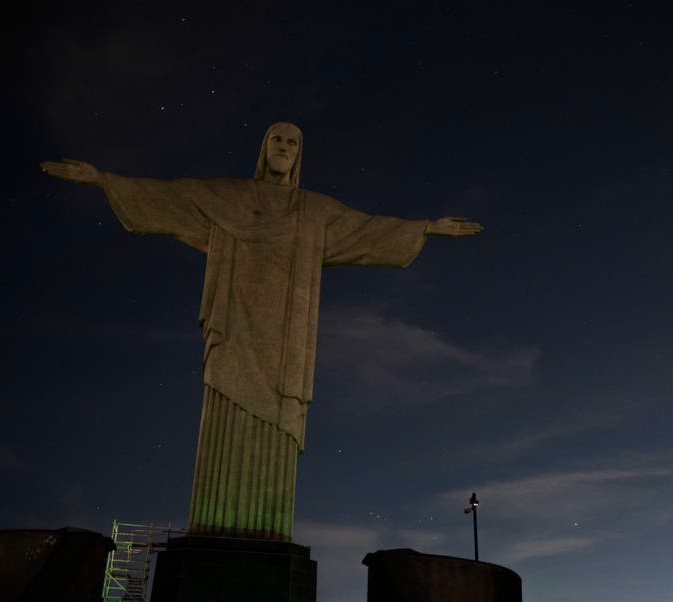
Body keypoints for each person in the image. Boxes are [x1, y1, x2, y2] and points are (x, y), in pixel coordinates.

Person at [41, 122, 482, 540]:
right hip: (233, 326)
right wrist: (103, 180)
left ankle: (265, 532)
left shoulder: (314, 211)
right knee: (224, 408)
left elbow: (367, 229)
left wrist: (425, 228)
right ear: (264, 149)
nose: (284, 149)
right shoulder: (228, 197)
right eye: (277, 140)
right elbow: (172, 196)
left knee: (275, 421)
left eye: (292, 143)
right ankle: (214, 531)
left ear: (299, 154)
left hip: (285, 342)